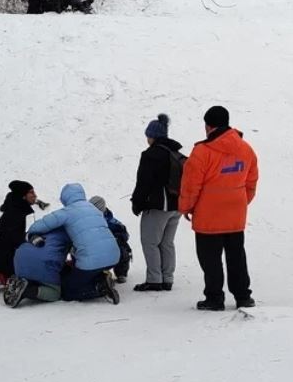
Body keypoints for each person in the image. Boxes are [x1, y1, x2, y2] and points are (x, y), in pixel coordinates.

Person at [179, 106, 259, 311]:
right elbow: (251, 181)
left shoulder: (202, 152)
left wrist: (186, 207)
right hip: (235, 215)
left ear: (208, 126)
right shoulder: (246, 148)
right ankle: (243, 296)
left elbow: (191, 185)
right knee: (236, 256)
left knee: (210, 260)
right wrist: (240, 202)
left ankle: (214, 298)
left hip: (208, 217)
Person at [19, 183, 121, 303]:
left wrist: (31, 232)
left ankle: (99, 287)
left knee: (68, 292)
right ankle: (100, 277)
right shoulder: (94, 209)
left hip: (91, 262)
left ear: (65, 198)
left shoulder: (67, 212)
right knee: (80, 274)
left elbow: (43, 224)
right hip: (114, 256)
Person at [130, 113, 185, 292]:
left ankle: (154, 279)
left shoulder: (151, 155)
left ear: (152, 135)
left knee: (150, 241)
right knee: (167, 243)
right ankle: (167, 278)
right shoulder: (176, 153)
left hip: (158, 206)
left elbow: (143, 182)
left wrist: (137, 202)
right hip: (177, 206)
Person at [0, 180, 40, 292]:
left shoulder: (15, 208)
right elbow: (15, 240)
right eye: (31, 193)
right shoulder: (16, 213)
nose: (35, 195)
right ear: (23, 196)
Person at [7, 226, 73, 306]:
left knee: (35, 268)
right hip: (42, 264)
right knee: (55, 293)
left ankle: (20, 282)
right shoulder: (71, 234)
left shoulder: (43, 227)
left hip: (19, 259)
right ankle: (27, 291)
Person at [90, 195, 132, 284]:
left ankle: (121, 273)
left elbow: (124, 233)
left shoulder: (111, 221)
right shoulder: (86, 220)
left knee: (122, 248)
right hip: (94, 250)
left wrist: (116, 238)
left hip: (111, 247)